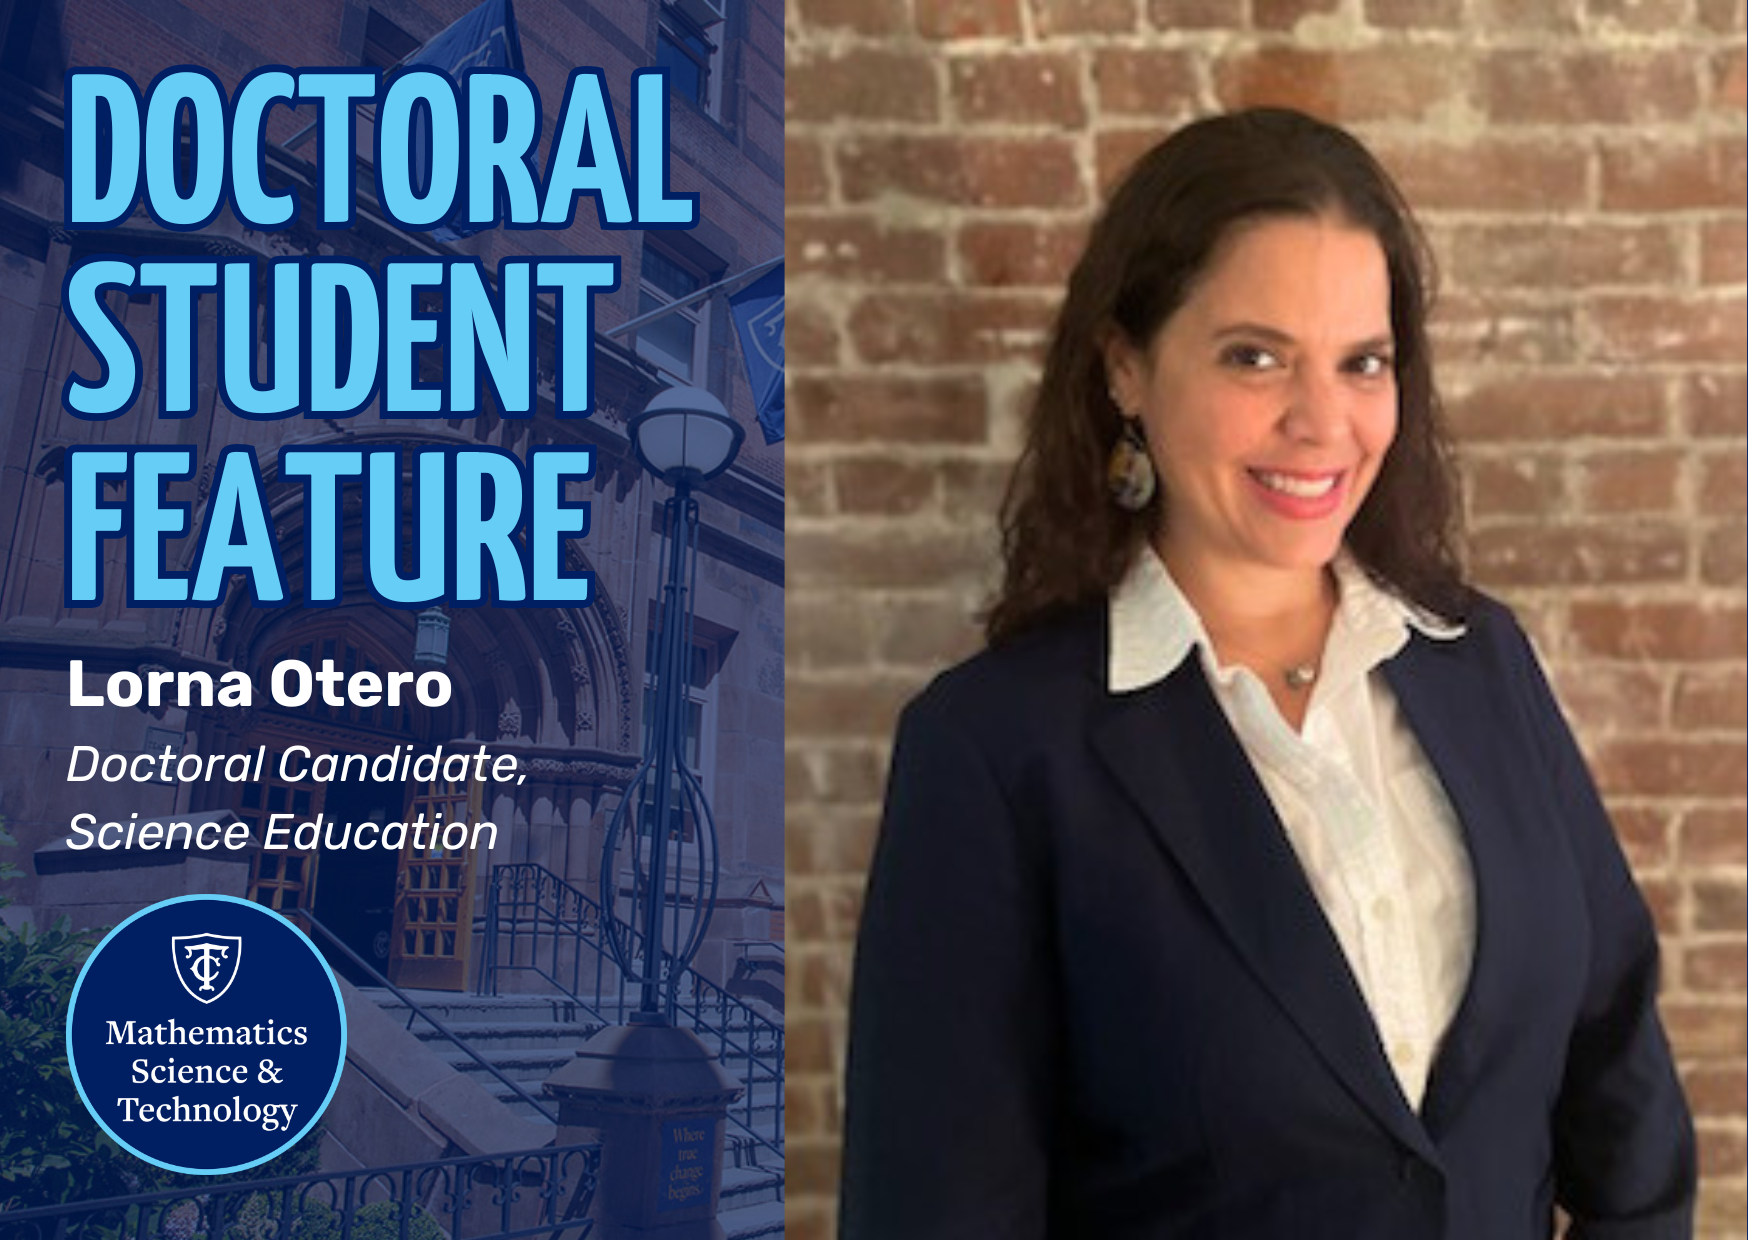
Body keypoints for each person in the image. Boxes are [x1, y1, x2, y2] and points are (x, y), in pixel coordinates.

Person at [837, 108, 1695, 1240]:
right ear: (1124, 367)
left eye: (1361, 363)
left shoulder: (1477, 662)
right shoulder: (995, 750)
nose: (1320, 421)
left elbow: (1617, 1075)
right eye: (1254, 356)